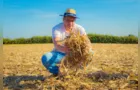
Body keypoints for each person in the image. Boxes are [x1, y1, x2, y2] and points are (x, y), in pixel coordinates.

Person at [41, 8, 93, 76]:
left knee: (90, 53)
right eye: (68, 20)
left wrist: (81, 51)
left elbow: (87, 42)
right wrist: (66, 50)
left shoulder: (80, 29)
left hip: (76, 55)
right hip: (60, 54)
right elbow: (57, 44)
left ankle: (77, 71)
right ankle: (59, 73)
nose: (70, 23)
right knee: (46, 58)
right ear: (63, 19)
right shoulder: (57, 28)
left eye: (72, 21)